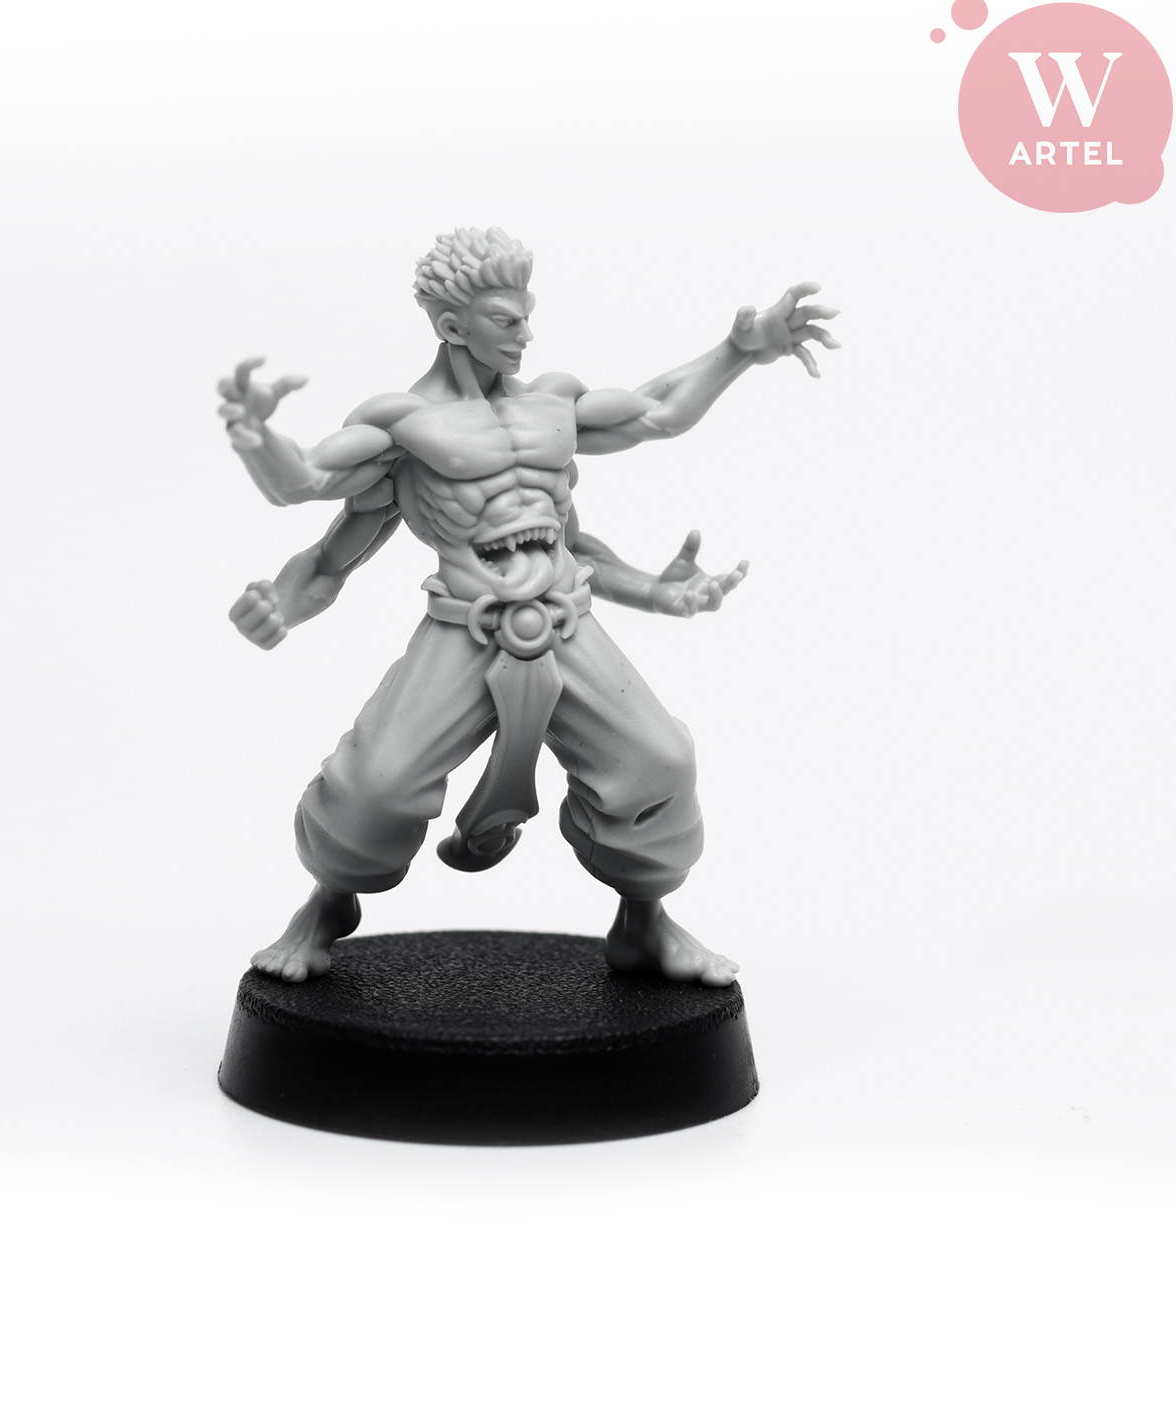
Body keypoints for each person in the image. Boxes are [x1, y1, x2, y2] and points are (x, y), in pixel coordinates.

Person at [217, 227, 838, 985]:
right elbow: (309, 493)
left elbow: (657, 412)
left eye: (527, 314)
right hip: (464, 628)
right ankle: (325, 905)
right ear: (454, 326)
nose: (526, 333)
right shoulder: (401, 424)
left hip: (567, 618)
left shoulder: (555, 403)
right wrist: (256, 441)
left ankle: (645, 923)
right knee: (373, 787)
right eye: (506, 320)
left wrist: (740, 350)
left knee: (660, 763)